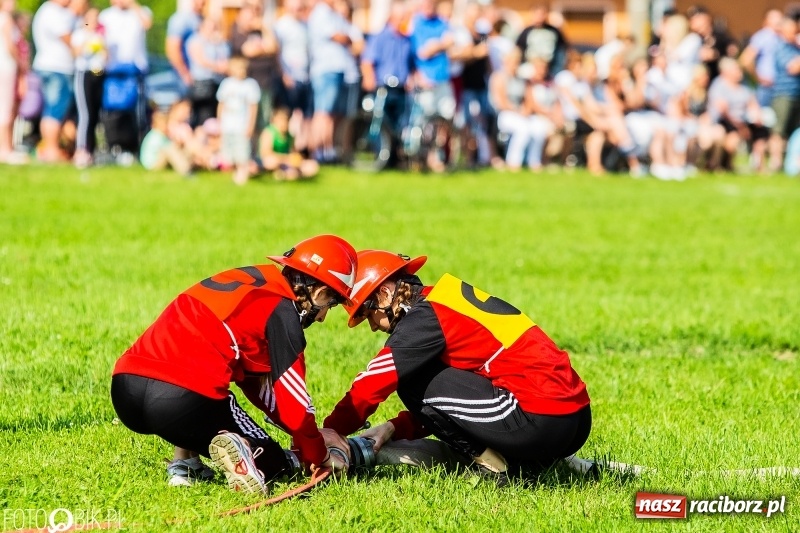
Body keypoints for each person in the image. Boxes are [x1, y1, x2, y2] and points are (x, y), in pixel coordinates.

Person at [111, 235, 358, 491]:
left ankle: (185, 464)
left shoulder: (249, 281)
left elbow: (255, 383)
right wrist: (320, 454)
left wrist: (311, 435)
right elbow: (293, 403)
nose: (323, 318)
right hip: (181, 401)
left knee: (199, 374)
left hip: (126, 390)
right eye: (332, 303)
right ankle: (241, 450)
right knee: (273, 461)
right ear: (320, 292)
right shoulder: (283, 313)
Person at [323, 250, 591, 483]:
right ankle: (528, 461)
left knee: (409, 379)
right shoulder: (446, 300)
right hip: (575, 419)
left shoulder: (425, 318)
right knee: (416, 375)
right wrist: (395, 427)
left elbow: (371, 384)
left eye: (369, 314)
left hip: (541, 421)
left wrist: (329, 432)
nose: (372, 326)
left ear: (383, 293)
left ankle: (496, 469)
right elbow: (454, 404)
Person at [31, 0, 77, 162]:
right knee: (54, 109)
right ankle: (51, 150)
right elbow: (68, 38)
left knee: (57, 109)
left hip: (56, 67)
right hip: (55, 67)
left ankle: (53, 148)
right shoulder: (51, 11)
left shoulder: (53, 11)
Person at [308, 0, 352, 162]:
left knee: (331, 113)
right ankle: (317, 151)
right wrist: (347, 37)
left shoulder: (331, 13)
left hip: (335, 69)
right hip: (326, 69)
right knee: (323, 112)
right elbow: (339, 36)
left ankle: (328, 149)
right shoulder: (321, 13)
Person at [273, 0, 312, 154]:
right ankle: (286, 148)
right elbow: (277, 53)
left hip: (304, 77)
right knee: (288, 114)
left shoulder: (305, 25)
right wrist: (284, 74)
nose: (299, 10)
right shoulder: (281, 26)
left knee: (302, 115)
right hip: (289, 77)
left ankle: (300, 148)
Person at [71, 5, 106, 168]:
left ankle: (92, 150)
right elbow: (76, 52)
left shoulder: (99, 36)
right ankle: (81, 150)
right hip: (83, 74)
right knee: (85, 114)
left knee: (94, 114)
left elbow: (106, 55)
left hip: (96, 75)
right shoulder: (80, 35)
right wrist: (87, 36)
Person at [217, 56, 261, 185]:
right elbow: (221, 104)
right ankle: (237, 171)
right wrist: (220, 122)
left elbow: (253, 107)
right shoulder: (226, 84)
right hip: (228, 125)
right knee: (229, 153)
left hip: (241, 125)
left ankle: (243, 172)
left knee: (243, 151)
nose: (241, 71)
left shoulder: (250, 85)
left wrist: (251, 125)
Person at [186, 16, 229, 127]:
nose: (213, 29)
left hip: (215, 83)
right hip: (202, 84)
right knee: (203, 117)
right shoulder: (195, 40)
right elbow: (201, 60)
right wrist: (218, 67)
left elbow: (225, 56)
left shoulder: (217, 42)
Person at [259, 107, 319, 180]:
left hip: (287, 163)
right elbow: (265, 154)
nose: (283, 123)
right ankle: (282, 173)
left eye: (286, 120)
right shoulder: (268, 133)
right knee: (271, 162)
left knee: (311, 166)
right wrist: (285, 158)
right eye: (281, 120)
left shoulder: (290, 136)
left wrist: (296, 158)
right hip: (275, 161)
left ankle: (284, 174)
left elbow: (293, 152)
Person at [739, 8, 783, 108]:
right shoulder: (763, 36)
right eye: (774, 18)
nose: (779, 21)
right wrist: (759, 78)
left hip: (781, 88)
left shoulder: (782, 37)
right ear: (766, 20)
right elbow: (745, 60)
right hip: (766, 88)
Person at [515, 3, 567, 76]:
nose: (540, 17)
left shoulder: (554, 31)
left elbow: (561, 50)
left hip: (550, 68)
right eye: (537, 14)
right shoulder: (526, 32)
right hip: (530, 67)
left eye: (542, 14)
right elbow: (519, 49)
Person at [165, 0, 204, 95]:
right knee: (183, 106)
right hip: (184, 75)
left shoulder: (201, 19)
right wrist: (184, 73)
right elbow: (172, 48)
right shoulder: (181, 19)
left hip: (198, 76)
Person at [139, 109, 192, 176]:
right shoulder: (156, 135)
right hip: (152, 165)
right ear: (156, 124)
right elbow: (169, 148)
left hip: (155, 162)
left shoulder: (159, 135)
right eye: (165, 124)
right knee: (170, 150)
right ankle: (186, 170)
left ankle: (188, 166)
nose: (167, 127)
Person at [0, 0, 20, 163]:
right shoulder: (6, 18)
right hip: (6, 67)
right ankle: (5, 149)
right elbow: (10, 46)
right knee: (5, 109)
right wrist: (21, 64)